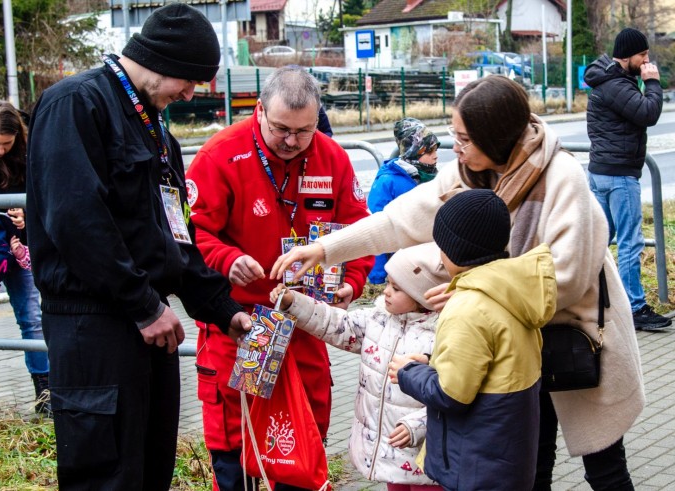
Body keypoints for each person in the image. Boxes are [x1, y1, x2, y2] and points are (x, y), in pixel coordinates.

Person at [271, 75, 644, 490]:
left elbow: (565, 279)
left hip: (575, 334)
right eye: (454, 135)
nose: (456, 147)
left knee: (605, 468)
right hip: (514, 345)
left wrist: (473, 288)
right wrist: (325, 250)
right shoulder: (470, 172)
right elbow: (401, 218)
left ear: (495, 136)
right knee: (532, 467)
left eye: (464, 137)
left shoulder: (562, 177)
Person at [25, 4, 252, 490]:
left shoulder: (157, 132)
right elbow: (75, 220)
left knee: (150, 466)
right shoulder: (77, 104)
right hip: (96, 324)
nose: (190, 95)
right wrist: (144, 306)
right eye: (187, 82)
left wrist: (223, 309)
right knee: (106, 473)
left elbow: (175, 237)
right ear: (156, 60)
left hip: (150, 326)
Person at [185, 65, 374, 490]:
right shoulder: (222, 155)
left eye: (303, 131)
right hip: (247, 326)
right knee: (248, 448)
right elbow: (189, 232)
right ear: (259, 112)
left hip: (307, 324)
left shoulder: (332, 157)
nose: (291, 141)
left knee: (302, 445)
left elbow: (358, 230)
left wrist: (352, 282)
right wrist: (225, 257)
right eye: (281, 129)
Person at [388, 189, 557, 490]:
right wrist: (432, 363)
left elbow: (452, 395)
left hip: (478, 462)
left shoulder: (467, 307)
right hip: (509, 455)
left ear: (454, 249)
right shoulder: (511, 293)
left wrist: (409, 373)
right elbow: (490, 366)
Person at [270, 246, 442, 490]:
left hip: (426, 452)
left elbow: (451, 391)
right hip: (391, 452)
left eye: (397, 288)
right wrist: (293, 303)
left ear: (421, 294)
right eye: (388, 284)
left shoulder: (441, 334)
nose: (386, 292)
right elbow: (335, 323)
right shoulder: (378, 319)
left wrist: (418, 426)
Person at [585, 27, 669, 331]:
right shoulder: (616, 84)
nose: (647, 60)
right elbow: (648, 112)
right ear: (628, 55)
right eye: (643, 55)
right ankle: (634, 307)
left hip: (603, 172)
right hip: (619, 175)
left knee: (600, 241)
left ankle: (589, 299)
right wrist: (653, 82)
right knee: (630, 242)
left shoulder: (608, 78)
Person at [0, 100, 49, 419]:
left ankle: (45, 393)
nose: (1, 151)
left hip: (18, 248)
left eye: (7, 144)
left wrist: (26, 214)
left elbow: (42, 194)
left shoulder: (29, 150)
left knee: (32, 319)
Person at [367, 117, 440, 284]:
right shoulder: (387, 182)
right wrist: (378, 278)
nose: (435, 157)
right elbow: (376, 229)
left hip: (426, 263)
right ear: (413, 152)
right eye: (429, 152)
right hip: (399, 268)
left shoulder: (430, 177)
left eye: (436, 151)